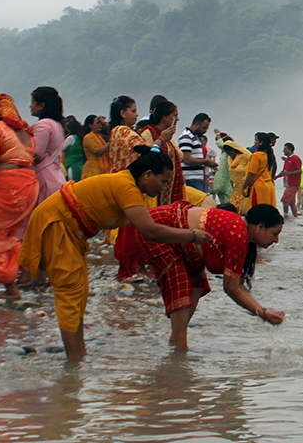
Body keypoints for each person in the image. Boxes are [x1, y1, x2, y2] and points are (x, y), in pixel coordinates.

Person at [21, 146, 209, 361]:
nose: (164, 187)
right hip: (57, 224)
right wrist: (192, 236)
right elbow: (150, 230)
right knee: (70, 292)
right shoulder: (126, 187)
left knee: (79, 292)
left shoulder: (131, 187)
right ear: (148, 174)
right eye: (163, 181)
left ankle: (79, 354)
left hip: (72, 232)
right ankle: (73, 362)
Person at [115, 202, 286, 352]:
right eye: (274, 233)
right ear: (260, 227)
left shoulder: (242, 233)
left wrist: (262, 311)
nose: (277, 240)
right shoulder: (239, 234)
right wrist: (262, 314)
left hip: (179, 237)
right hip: (160, 228)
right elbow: (231, 288)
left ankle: (176, 341)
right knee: (181, 283)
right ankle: (179, 348)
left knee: (197, 284)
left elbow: (238, 285)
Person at [0, 94, 40, 300]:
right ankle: (23, 272)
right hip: (28, 184)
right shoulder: (25, 131)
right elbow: (33, 156)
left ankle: (11, 288)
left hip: (6, 186)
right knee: (8, 233)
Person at [138, 101, 185, 206]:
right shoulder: (148, 133)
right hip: (156, 190)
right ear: (164, 117)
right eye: (174, 116)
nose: (177, 119)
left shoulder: (168, 137)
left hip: (171, 190)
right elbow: (147, 156)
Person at [28, 86, 67, 206]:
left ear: (41, 105)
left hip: (44, 178)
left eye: (33, 102)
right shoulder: (56, 124)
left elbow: (36, 155)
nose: (30, 106)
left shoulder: (43, 125)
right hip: (55, 176)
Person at [178, 113, 216, 193]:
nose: (205, 131)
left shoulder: (195, 138)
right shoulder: (187, 137)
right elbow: (187, 159)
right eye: (204, 128)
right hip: (190, 179)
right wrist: (206, 162)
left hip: (196, 179)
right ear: (196, 124)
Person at [107, 96, 146, 173]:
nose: (137, 114)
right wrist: (161, 139)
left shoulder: (116, 130)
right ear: (123, 113)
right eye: (133, 111)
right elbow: (144, 148)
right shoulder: (122, 131)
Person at [242, 132, 277, 210]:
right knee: (268, 212)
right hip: (269, 186)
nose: (254, 142)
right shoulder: (269, 155)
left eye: (256, 140)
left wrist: (244, 186)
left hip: (259, 188)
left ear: (261, 142)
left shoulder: (256, 155)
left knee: (257, 212)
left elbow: (251, 173)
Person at [273, 143, 301, 218]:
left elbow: (299, 171)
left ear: (289, 150)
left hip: (294, 184)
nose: (283, 150)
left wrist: (289, 173)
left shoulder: (295, 158)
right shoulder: (287, 160)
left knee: (285, 200)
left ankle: (286, 217)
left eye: (285, 149)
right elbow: (284, 171)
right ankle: (295, 217)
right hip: (289, 183)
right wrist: (277, 176)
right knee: (291, 202)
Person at [61, 116, 86, 183]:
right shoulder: (82, 137)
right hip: (83, 166)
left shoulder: (71, 138)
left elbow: (61, 149)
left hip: (73, 166)